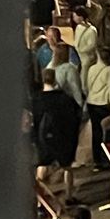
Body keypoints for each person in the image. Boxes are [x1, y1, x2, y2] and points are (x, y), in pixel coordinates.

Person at [30, 71, 82, 201]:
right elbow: (75, 118)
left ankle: (40, 199)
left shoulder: (36, 100)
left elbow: (33, 122)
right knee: (67, 167)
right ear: (55, 80)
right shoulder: (65, 98)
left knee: (42, 166)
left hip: (43, 139)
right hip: (63, 139)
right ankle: (69, 196)